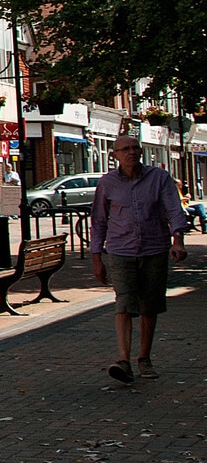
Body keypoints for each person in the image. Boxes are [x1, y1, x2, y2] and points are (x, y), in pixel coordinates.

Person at [90, 130, 187, 383]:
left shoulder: (159, 178)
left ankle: (144, 358)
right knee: (123, 303)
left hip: (154, 250)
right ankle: (124, 360)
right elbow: (99, 222)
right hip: (121, 251)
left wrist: (178, 240)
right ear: (115, 156)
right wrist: (96, 257)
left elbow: (174, 210)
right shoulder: (107, 183)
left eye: (135, 148)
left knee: (149, 306)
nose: (132, 152)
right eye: (126, 149)